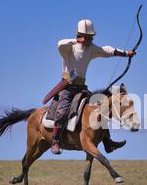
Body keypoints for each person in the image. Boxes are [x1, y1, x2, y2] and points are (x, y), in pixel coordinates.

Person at [50, 19, 135, 155]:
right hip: (67, 87)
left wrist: (125, 53)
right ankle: (55, 141)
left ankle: (108, 142)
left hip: (81, 87)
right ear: (81, 36)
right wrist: (76, 40)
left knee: (101, 110)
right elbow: (59, 44)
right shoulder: (69, 48)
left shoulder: (91, 49)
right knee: (62, 111)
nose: (91, 39)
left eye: (91, 37)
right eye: (88, 37)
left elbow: (106, 50)